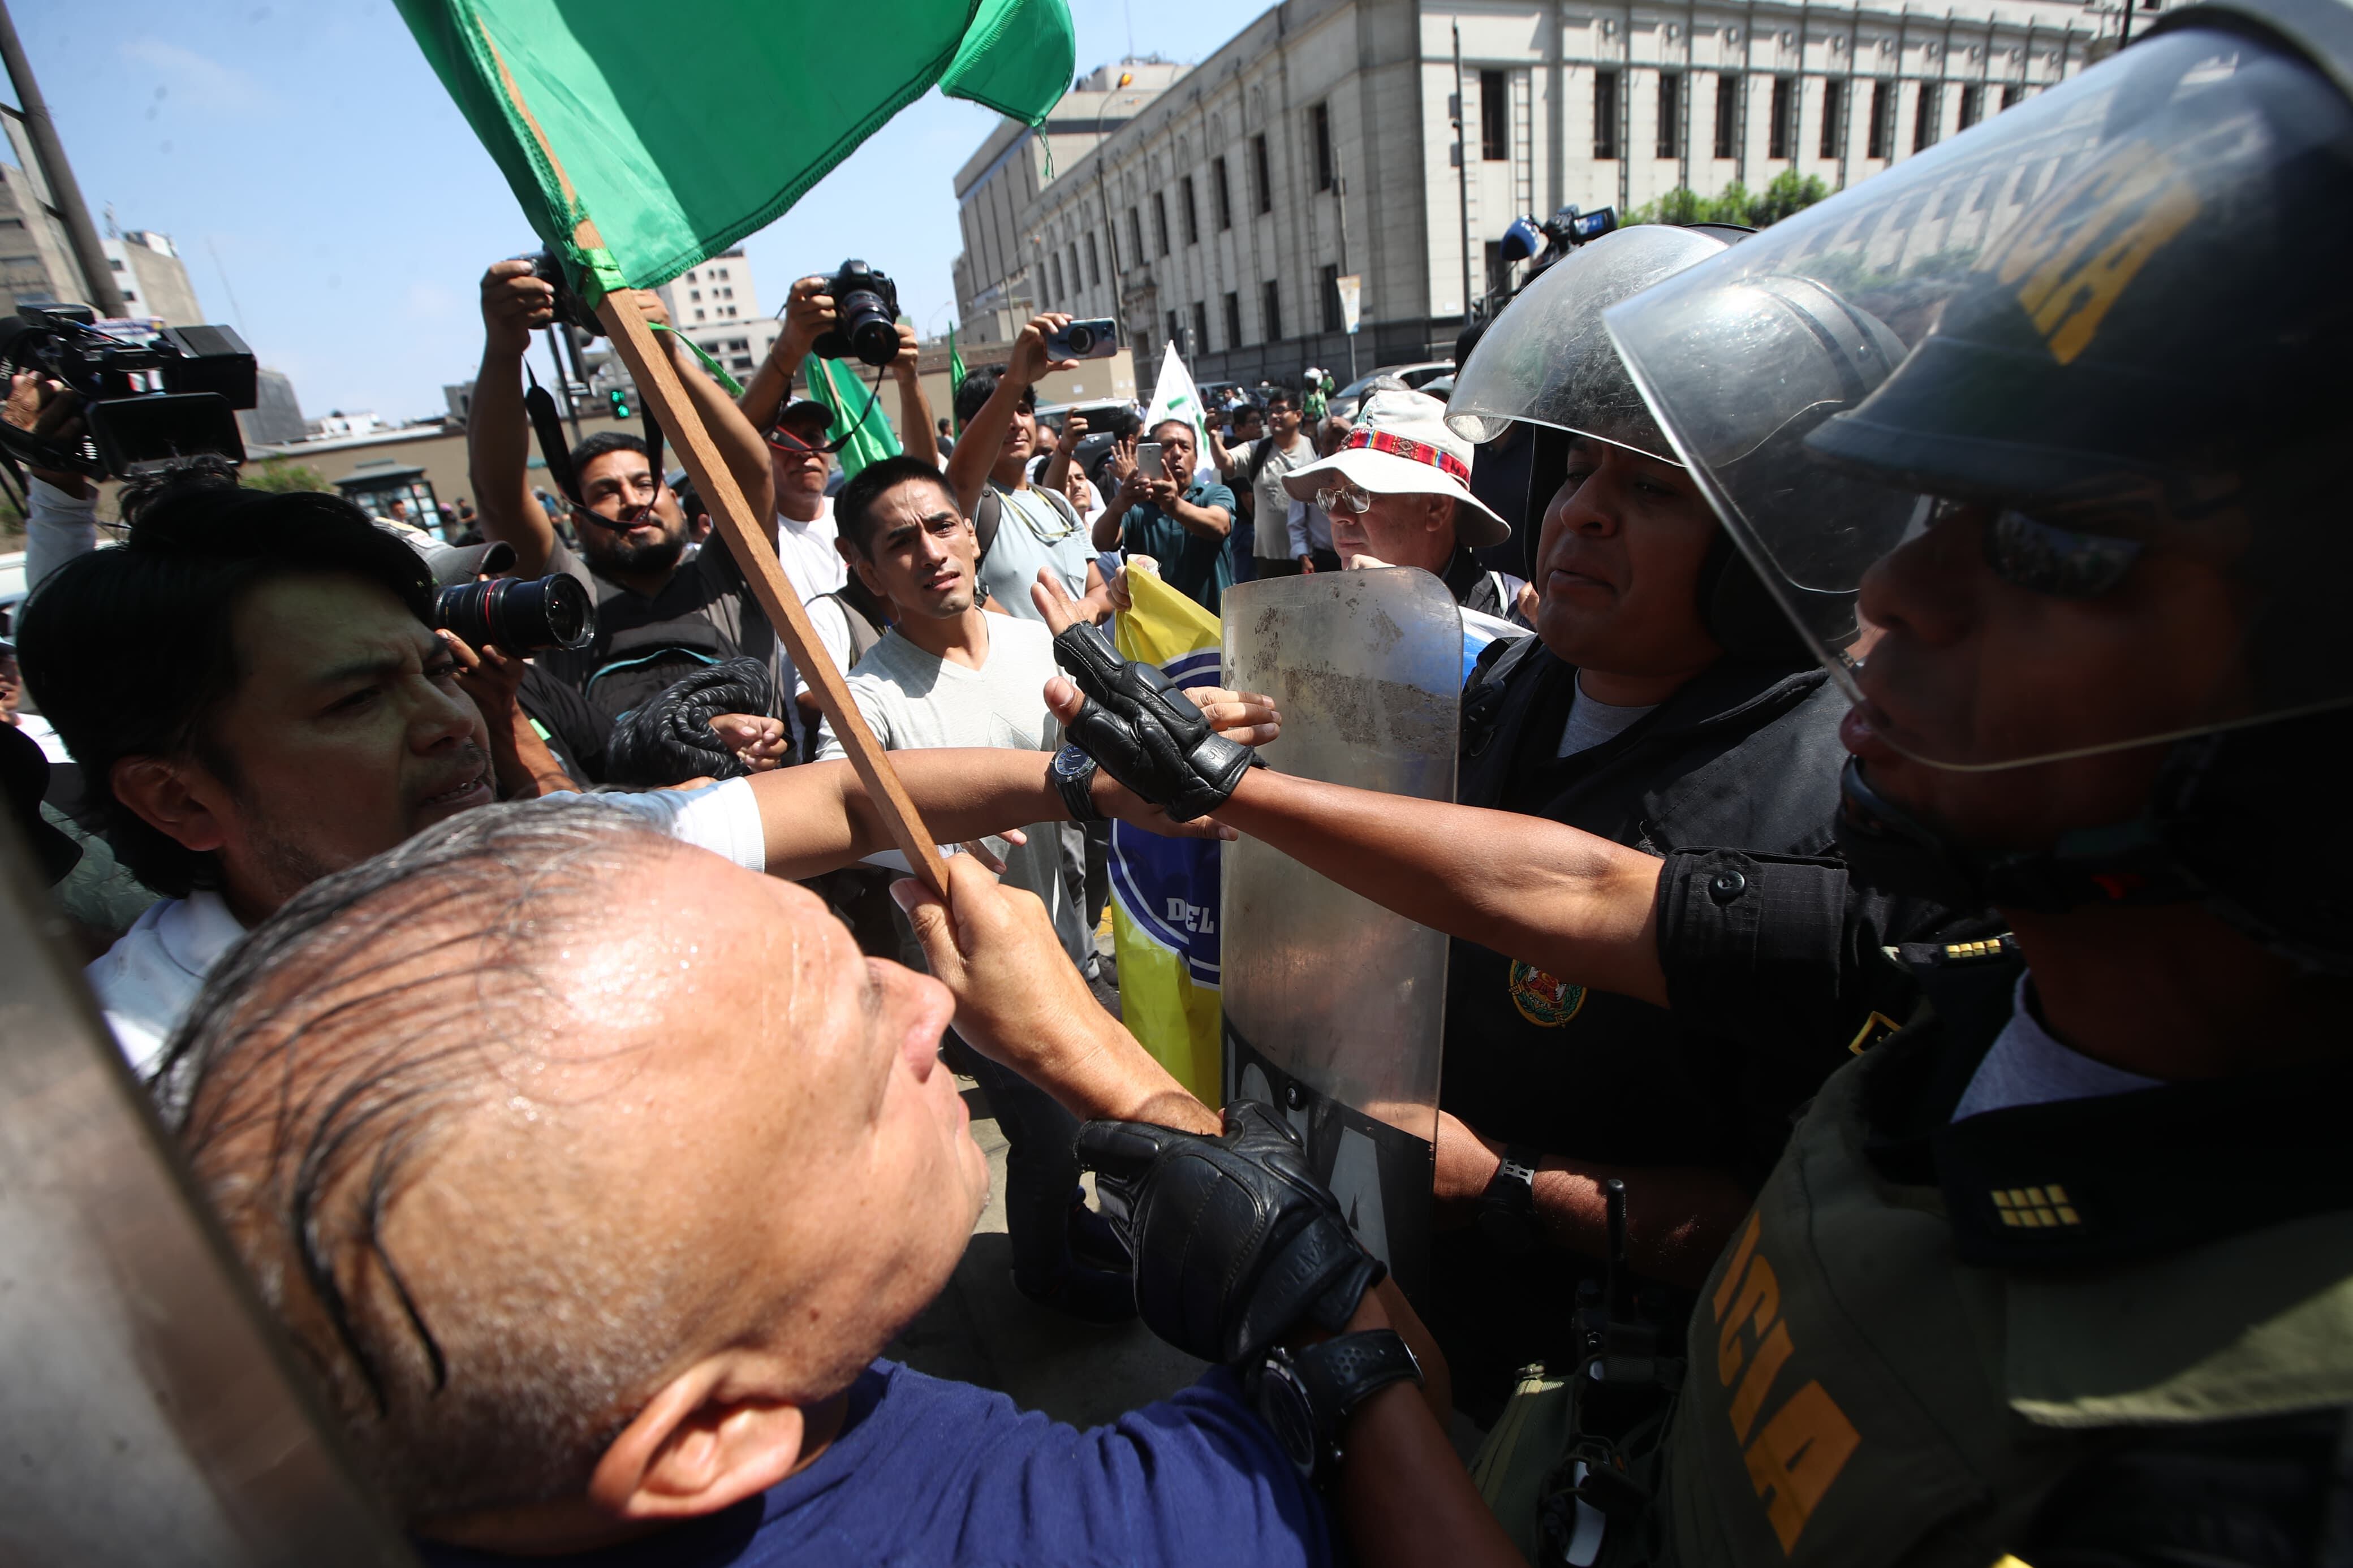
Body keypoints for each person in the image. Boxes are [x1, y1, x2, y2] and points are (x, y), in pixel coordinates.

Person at [1049, 10, 2353, 1555]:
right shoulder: (1955, 971)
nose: (1904, 587)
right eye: (1577, 471)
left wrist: (1379, 1288)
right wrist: (1235, 778)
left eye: (2056, 548)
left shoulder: (2239, 1472)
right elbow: (1589, 890)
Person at [162, 793, 1496, 1567]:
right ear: (703, 1438)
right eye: (857, 1061)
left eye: (859, 966)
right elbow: (1389, 1391)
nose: (929, 1003)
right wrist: (1097, 1062)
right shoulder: (1106, 1536)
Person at [14, 463, 1257, 1077]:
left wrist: (1092, 783)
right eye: (353, 700)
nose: (444, 721)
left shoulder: (547, 855)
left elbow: (839, 798)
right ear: (175, 795)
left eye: (433, 670)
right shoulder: (130, 1083)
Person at [814, 453, 1132, 1318]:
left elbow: (1100, 761)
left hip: (1070, 943)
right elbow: (840, 816)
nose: (931, 551)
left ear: (971, 532)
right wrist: (944, 851)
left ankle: (1068, 1226)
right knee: (1048, 1134)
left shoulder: (1038, 647)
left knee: (1078, 1125)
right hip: (974, 978)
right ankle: (1045, 1275)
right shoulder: (868, 698)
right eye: (899, 541)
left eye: (942, 525)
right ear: (865, 567)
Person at [465, 259, 782, 728]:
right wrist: (503, 348)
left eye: (644, 483)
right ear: (576, 521)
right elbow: (499, 496)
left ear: (677, 501)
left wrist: (667, 356)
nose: (633, 500)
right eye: (606, 492)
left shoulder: (731, 576)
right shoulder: (564, 595)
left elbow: (751, 470)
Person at [1280, 388, 1523, 618]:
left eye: (1361, 493)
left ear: (1436, 508)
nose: (1336, 515)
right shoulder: (1328, 615)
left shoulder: (1515, 618)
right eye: (1332, 495)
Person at [945, 313, 1113, 628]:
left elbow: (1098, 590)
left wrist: (1085, 610)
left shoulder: (1058, 504)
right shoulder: (970, 506)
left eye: (1023, 410)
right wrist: (1015, 379)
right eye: (1004, 411)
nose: (1016, 423)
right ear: (967, 427)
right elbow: (963, 477)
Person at [1095, 420, 1235, 614]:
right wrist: (1119, 504)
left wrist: (1174, 505)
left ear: (1195, 459)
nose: (1177, 453)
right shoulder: (1138, 506)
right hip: (1158, 626)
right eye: (1167, 446)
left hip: (1213, 622)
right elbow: (1102, 542)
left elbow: (1220, 526)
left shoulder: (1214, 493)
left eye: (1185, 447)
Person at [1212, 391, 1317, 585]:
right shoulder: (1257, 449)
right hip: (1269, 556)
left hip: (1311, 552)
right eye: (1270, 412)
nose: (1274, 416)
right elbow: (1224, 462)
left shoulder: (1314, 447)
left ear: (1298, 415)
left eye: (1280, 410)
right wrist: (1213, 437)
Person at [1283, 417, 1350, 573]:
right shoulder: (1307, 476)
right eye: (1330, 443)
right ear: (1319, 443)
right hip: (1323, 559)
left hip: (1355, 555)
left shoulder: (1357, 472)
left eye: (1341, 442)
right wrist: (1304, 558)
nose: (1336, 448)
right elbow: (1296, 524)